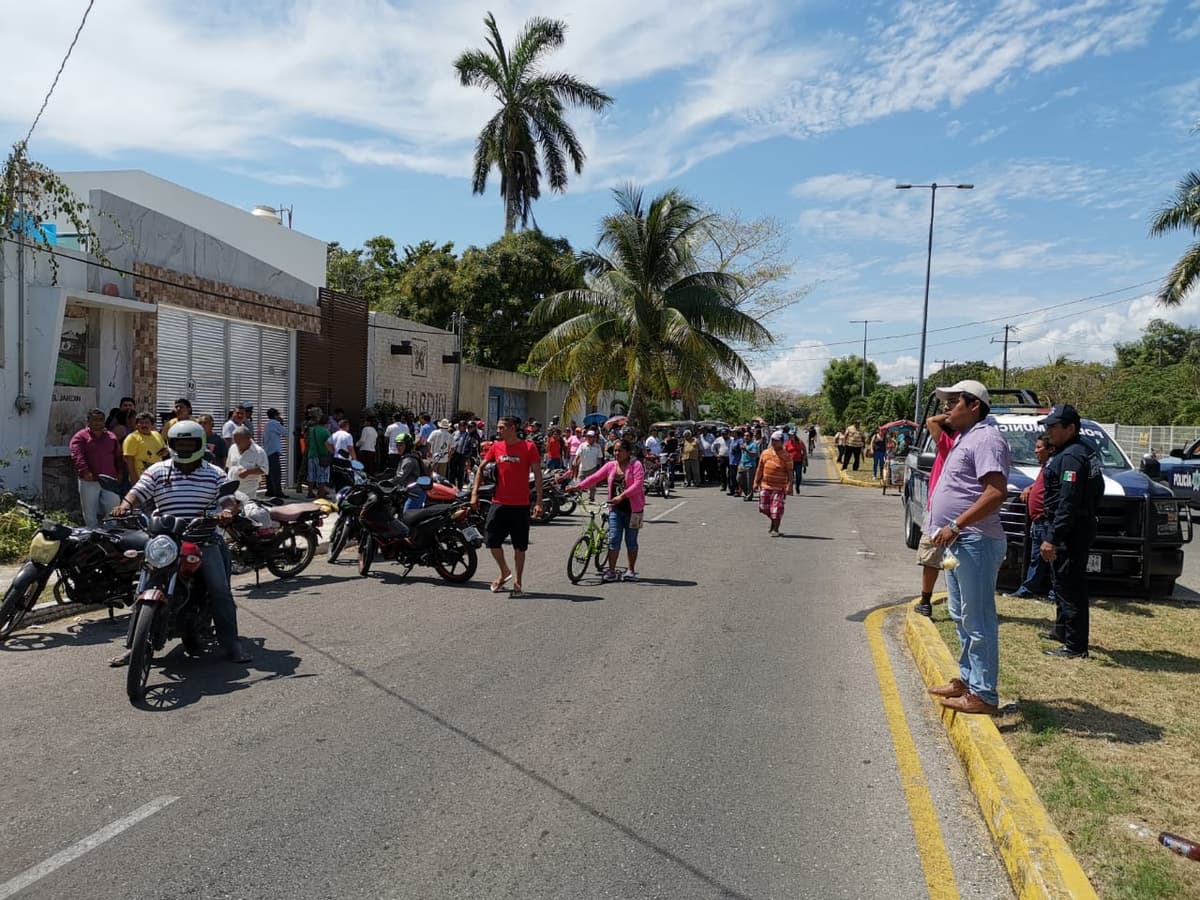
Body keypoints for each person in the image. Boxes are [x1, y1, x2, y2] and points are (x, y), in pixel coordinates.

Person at [110, 420, 251, 665]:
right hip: (166, 540)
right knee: (142, 586)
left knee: (219, 590)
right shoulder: (157, 470)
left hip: (203, 539)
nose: (184, 447)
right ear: (171, 445)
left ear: (200, 445)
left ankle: (231, 643)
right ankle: (134, 646)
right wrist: (124, 506)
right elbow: (138, 491)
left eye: (190, 443)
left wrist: (227, 511)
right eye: (179, 443)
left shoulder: (214, 472)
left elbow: (228, 497)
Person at [926, 380, 1010, 715]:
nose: (946, 408)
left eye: (953, 402)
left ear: (974, 405)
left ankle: (985, 694)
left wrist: (957, 524)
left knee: (978, 619)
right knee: (961, 616)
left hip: (975, 539)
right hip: (960, 541)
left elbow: (995, 492)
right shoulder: (967, 436)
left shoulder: (987, 438)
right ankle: (967, 680)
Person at [1038, 404, 1103, 660]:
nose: (1048, 431)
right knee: (1061, 581)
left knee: (1070, 586)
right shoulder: (1080, 450)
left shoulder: (1073, 457)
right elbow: (1097, 488)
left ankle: (1075, 646)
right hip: (1074, 526)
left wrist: (1053, 537)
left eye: (1054, 426)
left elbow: (1069, 501)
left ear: (1071, 428)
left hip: (1070, 531)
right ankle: (1062, 631)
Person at [471, 416, 541, 596]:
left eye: (502, 427)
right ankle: (504, 571)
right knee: (491, 541)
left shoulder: (529, 447)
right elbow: (481, 468)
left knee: (520, 546)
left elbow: (538, 475)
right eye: (499, 427)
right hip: (499, 503)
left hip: (520, 505)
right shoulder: (496, 447)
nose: (499, 430)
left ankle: (518, 582)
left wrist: (539, 501)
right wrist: (474, 493)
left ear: (513, 428)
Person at [569, 439, 645, 581]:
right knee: (613, 540)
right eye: (615, 451)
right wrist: (578, 487)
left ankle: (631, 570)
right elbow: (595, 477)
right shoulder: (610, 465)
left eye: (620, 450)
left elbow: (638, 485)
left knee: (631, 541)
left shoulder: (636, 465)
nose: (617, 453)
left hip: (635, 510)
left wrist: (622, 496)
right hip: (615, 509)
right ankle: (611, 571)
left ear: (628, 452)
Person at [914, 410, 956, 618]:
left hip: (941, 515)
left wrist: (949, 415)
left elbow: (930, 421)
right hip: (941, 509)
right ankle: (927, 600)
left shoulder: (950, 444)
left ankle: (926, 600)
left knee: (933, 558)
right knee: (940, 558)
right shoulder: (955, 443)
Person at [1013, 433, 1054, 600]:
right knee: (1036, 559)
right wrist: (1029, 488)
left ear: (1050, 449)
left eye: (1039, 447)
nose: (1035, 451)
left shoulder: (1055, 466)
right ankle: (1027, 590)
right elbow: (1040, 485)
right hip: (1037, 522)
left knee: (1052, 560)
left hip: (1047, 522)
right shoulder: (1045, 466)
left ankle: (1054, 595)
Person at [70, 408, 124, 527]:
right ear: (88, 421)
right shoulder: (80, 437)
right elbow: (77, 455)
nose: (97, 423)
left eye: (100, 420)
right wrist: (84, 471)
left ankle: (110, 535)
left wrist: (120, 473)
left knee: (113, 507)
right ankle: (92, 537)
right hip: (89, 479)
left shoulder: (111, 437)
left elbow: (118, 457)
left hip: (110, 479)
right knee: (90, 513)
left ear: (104, 421)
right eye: (94, 420)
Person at [754, 431, 794, 535]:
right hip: (765, 485)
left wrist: (790, 486)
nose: (774, 443)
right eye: (772, 440)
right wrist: (755, 482)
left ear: (781, 442)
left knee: (776, 509)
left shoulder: (786, 456)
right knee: (763, 507)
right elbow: (760, 468)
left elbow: (790, 472)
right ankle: (773, 520)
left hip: (779, 487)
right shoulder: (765, 453)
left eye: (776, 441)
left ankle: (775, 529)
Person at [122, 411, 168, 482]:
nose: (144, 425)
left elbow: (164, 450)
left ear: (152, 425)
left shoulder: (157, 435)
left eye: (147, 423)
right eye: (141, 423)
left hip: (157, 477)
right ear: (136, 425)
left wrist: (164, 451)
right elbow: (129, 461)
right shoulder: (132, 438)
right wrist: (134, 480)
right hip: (140, 479)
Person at [226, 425, 268, 498]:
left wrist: (248, 472)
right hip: (232, 490)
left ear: (248, 438)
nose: (237, 444)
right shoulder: (233, 448)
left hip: (248, 491)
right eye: (235, 441)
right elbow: (228, 466)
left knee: (247, 508)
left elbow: (264, 469)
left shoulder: (259, 452)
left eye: (238, 442)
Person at [305, 413, 332, 498]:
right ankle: (321, 494)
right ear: (326, 423)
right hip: (322, 456)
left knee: (311, 474)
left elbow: (307, 442)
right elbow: (329, 444)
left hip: (311, 454)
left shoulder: (312, 430)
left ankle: (310, 492)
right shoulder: (326, 431)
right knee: (322, 475)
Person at [573, 430, 605, 501]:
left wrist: (600, 468)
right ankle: (579, 497)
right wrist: (575, 460)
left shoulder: (597, 446)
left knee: (592, 485)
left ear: (594, 438)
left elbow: (599, 458)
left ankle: (592, 498)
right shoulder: (582, 445)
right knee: (579, 484)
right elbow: (578, 454)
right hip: (582, 468)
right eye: (588, 436)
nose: (589, 438)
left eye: (591, 437)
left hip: (592, 468)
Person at [263, 408, 287, 497]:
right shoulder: (275, 423)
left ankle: (270, 491)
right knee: (276, 473)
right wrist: (282, 422)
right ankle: (278, 492)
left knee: (269, 473)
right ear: (276, 415)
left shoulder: (267, 424)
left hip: (267, 452)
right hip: (273, 452)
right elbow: (285, 432)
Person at [738, 430, 760, 501]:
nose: (745, 437)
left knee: (749, 482)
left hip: (750, 465)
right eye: (744, 436)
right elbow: (742, 455)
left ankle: (749, 495)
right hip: (742, 465)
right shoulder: (744, 444)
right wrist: (740, 464)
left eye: (747, 436)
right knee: (739, 479)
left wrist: (746, 450)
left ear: (751, 437)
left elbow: (754, 454)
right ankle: (747, 493)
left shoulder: (753, 444)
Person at [728, 428, 744, 495]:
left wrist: (738, 448)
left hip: (736, 461)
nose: (731, 433)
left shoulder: (740, 440)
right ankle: (732, 490)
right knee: (731, 476)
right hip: (731, 461)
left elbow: (741, 448)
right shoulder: (732, 440)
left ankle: (737, 490)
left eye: (733, 432)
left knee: (736, 478)